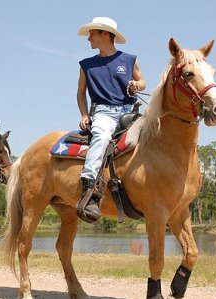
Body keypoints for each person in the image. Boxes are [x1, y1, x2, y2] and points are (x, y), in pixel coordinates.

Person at [76, 17, 146, 222]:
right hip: (104, 113)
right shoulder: (86, 65)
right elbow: (80, 94)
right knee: (101, 136)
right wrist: (84, 114)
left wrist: (136, 84)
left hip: (129, 112)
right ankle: (89, 192)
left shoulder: (129, 59)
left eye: (92, 33)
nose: (89, 38)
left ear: (105, 34)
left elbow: (142, 81)